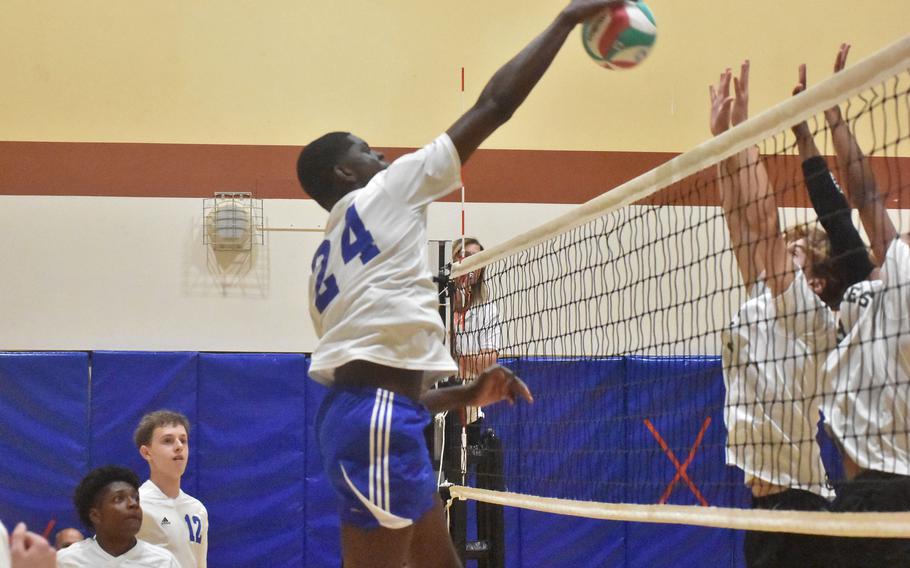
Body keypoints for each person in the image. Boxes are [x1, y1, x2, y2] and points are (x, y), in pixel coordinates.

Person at [294, 2, 630, 566]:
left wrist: (466, 395)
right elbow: (494, 105)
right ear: (345, 173)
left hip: (370, 416)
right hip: (377, 420)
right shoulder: (388, 191)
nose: (384, 154)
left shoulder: (324, 263)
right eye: (367, 149)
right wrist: (566, 22)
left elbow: (383, 381)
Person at [712, 60, 839, 568]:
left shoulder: (807, 314)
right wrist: (722, 143)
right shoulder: (761, 304)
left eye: (797, 250)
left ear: (816, 279)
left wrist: (745, 134)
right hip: (765, 507)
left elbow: (764, 222)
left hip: (800, 508)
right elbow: (739, 220)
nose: (783, 251)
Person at [803, 44, 910, 567]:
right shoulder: (872, 276)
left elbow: (866, 199)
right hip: (858, 488)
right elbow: (846, 205)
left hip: (892, 484)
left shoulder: (903, 276)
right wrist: (829, 120)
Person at [57, 466, 180, 567]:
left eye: (136, 498)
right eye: (119, 499)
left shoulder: (163, 562)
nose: (133, 504)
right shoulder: (66, 561)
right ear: (96, 515)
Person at [134, 411, 208, 568]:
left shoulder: (197, 509)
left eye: (183, 440)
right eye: (168, 440)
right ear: (147, 452)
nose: (179, 446)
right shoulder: (135, 505)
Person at [451, 237, 502, 425]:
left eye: (477, 258)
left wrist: (454, 359)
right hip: (433, 400)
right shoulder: (436, 305)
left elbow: (488, 364)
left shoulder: (488, 310)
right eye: (465, 256)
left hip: (469, 403)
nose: (471, 263)